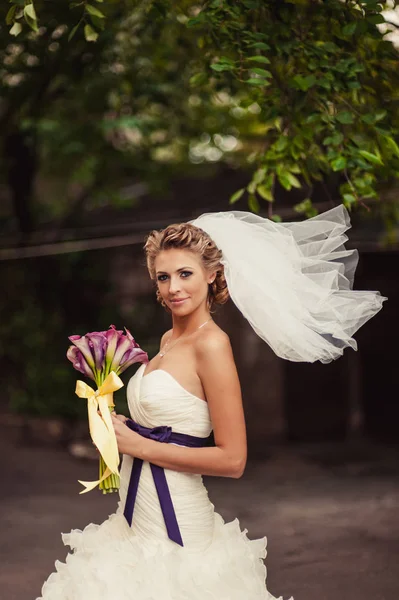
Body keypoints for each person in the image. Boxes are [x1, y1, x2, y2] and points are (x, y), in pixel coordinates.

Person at [37, 207, 386, 600]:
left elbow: (233, 460)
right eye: (163, 277)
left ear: (212, 274)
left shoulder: (212, 344)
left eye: (185, 274)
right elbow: (167, 420)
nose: (173, 288)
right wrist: (110, 417)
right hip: (134, 521)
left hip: (179, 531)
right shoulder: (169, 342)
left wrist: (138, 445)